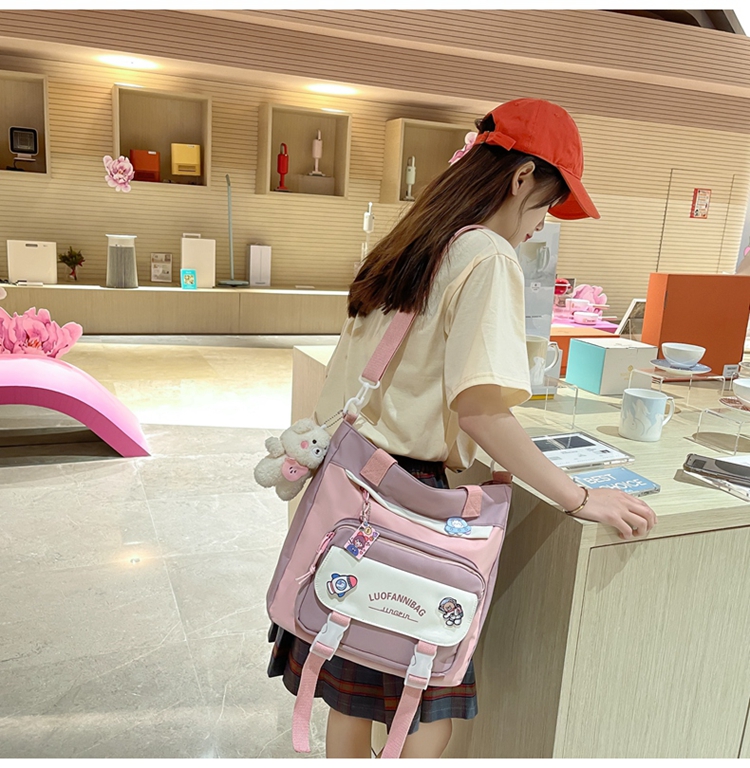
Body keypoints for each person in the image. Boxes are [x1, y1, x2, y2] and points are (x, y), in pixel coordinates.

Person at [267, 97, 657, 759]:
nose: (540, 225)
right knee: (424, 706)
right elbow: (481, 410)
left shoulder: (415, 240)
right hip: (410, 500)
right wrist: (580, 497)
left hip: (352, 487)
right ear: (522, 178)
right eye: (547, 205)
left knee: (348, 689)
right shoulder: (489, 256)